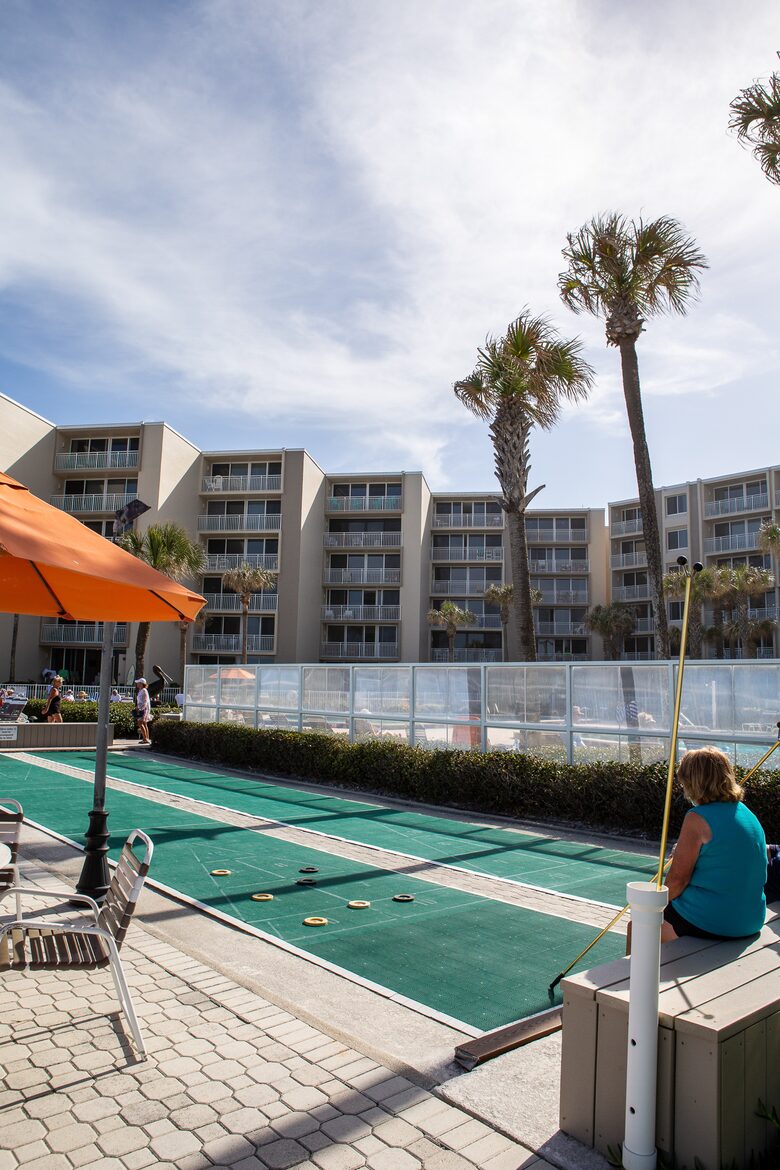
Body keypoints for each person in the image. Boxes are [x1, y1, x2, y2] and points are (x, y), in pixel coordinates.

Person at [662, 747, 767, 943]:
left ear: (693, 782)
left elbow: (677, 881)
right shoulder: (746, 813)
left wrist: (653, 902)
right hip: (751, 919)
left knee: (638, 926)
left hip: (714, 921)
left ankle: (630, 975)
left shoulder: (697, 818)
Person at [134, 677, 152, 745]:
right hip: (143, 708)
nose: (137, 684)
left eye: (138, 683)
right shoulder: (141, 690)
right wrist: (138, 706)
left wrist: (140, 708)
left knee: (140, 723)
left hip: (143, 709)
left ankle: (145, 739)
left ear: (141, 684)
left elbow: (145, 701)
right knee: (144, 723)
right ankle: (146, 738)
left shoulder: (144, 690)